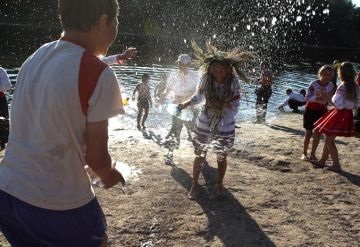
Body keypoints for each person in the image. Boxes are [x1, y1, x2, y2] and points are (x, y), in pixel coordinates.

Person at [0, 0, 126, 246]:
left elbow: (39, 125)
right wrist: (109, 175)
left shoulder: (36, 56)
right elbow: (97, 160)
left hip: (8, 192)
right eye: (116, 22)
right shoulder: (99, 72)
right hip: (57, 203)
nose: (116, 29)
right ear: (102, 21)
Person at [178, 42, 251, 200]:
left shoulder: (233, 82)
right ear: (210, 68)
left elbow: (236, 102)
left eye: (221, 70)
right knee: (200, 154)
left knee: (221, 156)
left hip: (225, 122)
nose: (218, 73)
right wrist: (185, 103)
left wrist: (224, 105)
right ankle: (195, 184)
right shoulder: (205, 79)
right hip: (205, 120)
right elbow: (198, 97)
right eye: (215, 69)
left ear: (227, 69)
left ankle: (219, 184)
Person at [313, 62, 360, 171]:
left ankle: (336, 165)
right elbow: (357, 104)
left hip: (339, 114)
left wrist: (327, 97)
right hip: (348, 114)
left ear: (341, 73)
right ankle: (322, 161)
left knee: (329, 140)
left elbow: (338, 105)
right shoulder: (356, 87)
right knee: (329, 137)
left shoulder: (342, 86)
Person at [163, 54, 199, 145]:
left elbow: (197, 90)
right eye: (179, 63)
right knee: (175, 121)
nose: (179, 66)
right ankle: (175, 139)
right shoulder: (174, 74)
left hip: (189, 102)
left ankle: (190, 137)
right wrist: (163, 96)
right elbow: (168, 88)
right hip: (177, 101)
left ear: (188, 64)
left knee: (190, 124)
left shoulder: (193, 75)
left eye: (182, 64)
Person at [301, 65, 334, 161]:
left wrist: (326, 99)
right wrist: (317, 98)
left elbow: (330, 100)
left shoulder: (331, 85)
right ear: (320, 74)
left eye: (329, 74)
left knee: (318, 133)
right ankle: (304, 153)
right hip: (310, 109)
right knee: (308, 132)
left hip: (322, 110)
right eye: (325, 74)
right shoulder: (314, 84)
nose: (327, 76)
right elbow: (306, 98)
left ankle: (313, 154)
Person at [0, 67, 12, 150]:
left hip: (0, 100)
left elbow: (8, 86)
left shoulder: (1, 71)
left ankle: (3, 144)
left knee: (4, 122)